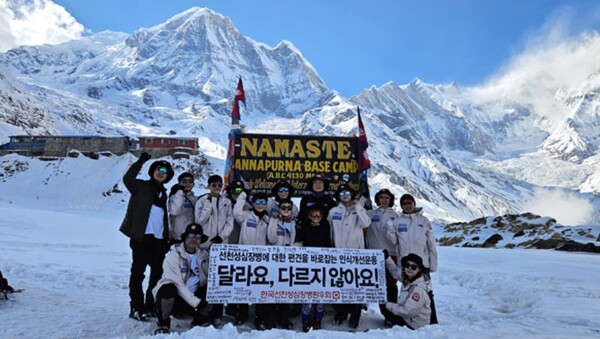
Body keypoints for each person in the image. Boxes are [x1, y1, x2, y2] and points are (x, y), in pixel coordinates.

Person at [119, 152, 174, 321]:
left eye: (165, 171)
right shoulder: (140, 187)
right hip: (141, 238)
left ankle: (150, 305)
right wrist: (141, 161)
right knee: (138, 274)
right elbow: (127, 179)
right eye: (159, 169)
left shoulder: (164, 193)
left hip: (158, 242)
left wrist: (166, 239)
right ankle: (136, 307)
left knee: (156, 276)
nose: (161, 172)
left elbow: (163, 218)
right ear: (152, 171)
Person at [386, 193, 438, 324]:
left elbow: (431, 244)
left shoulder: (424, 221)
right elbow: (394, 242)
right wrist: (390, 230)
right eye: (404, 203)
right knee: (406, 292)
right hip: (406, 265)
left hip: (422, 265)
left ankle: (432, 321)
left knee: (427, 293)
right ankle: (409, 319)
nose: (407, 205)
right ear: (401, 205)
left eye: (409, 203)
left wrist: (432, 265)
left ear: (414, 203)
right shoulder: (397, 222)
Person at [152, 223, 212, 334]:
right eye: (191, 236)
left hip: (193, 299)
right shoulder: (173, 256)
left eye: (198, 237)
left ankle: (200, 318)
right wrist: (196, 302)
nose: (194, 239)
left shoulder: (204, 255)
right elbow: (177, 283)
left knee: (213, 288)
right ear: (184, 238)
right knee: (168, 288)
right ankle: (163, 323)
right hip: (175, 299)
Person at [327, 183, 370, 329]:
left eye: (347, 193)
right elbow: (329, 229)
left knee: (355, 285)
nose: (345, 195)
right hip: (338, 253)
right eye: (341, 193)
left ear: (352, 195)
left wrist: (358, 206)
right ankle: (341, 313)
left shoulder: (359, 210)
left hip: (355, 253)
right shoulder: (333, 211)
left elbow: (366, 223)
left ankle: (355, 314)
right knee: (340, 284)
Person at [194, 174, 233, 325]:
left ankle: (217, 313)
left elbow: (230, 222)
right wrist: (209, 205)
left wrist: (222, 236)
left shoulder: (226, 202)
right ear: (208, 186)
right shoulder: (202, 200)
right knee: (204, 280)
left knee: (220, 279)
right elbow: (199, 221)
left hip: (221, 245)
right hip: (205, 245)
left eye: (219, 184)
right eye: (214, 184)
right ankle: (203, 312)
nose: (217, 187)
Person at [233, 190, 271, 329]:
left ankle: (260, 317)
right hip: (244, 256)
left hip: (262, 258)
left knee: (260, 287)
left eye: (263, 202)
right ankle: (241, 314)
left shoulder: (268, 219)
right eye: (258, 202)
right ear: (253, 203)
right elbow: (236, 211)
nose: (260, 205)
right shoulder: (246, 216)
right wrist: (243, 195)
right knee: (243, 285)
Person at [295, 205, 332, 332]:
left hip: (322, 265)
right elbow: (299, 243)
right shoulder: (304, 228)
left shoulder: (325, 228)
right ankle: (305, 320)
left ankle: (318, 319)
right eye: (313, 215)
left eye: (318, 215)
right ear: (309, 216)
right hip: (307, 265)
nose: (316, 218)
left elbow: (329, 245)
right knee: (307, 296)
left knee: (321, 295)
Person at [366, 189, 400, 325]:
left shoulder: (396, 216)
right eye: (381, 197)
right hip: (373, 254)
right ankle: (384, 312)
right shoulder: (371, 213)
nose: (384, 200)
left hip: (390, 255)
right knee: (378, 286)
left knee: (391, 285)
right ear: (377, 199)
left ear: (390, 199)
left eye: (387, 197)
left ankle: (391, 315)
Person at [265, 199, 296, 329]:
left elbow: (300, 240)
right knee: (272, 289)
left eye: (289, 207)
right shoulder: (273, 221)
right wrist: (273, 221)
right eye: (283, 207)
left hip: (290, 261)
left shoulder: (296, 223)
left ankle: (284, 318)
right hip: (274, 260)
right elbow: (271, 239)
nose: (286, 210)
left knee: (285, 290)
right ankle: (270, 319)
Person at [381, 253, 431, 330]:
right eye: (407, 265)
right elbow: (394, 271)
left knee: (385, 307)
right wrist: (387, 258)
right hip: (409, 318)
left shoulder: (418, 289)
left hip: (415, 325)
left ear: (419, 269)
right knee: (385, 304)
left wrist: (388, 305)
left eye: (413, 267)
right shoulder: (408, 278)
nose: (409, 268)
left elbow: (408, 311)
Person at [168, 172, 197, 243]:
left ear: (193, 184)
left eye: (190, 181)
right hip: (178, 238)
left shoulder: (195, 199)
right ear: (179, 184)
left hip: (192, 237)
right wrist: (180, 191)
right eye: (184, 181)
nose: (187, 183)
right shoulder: (174, 197)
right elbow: (174, 212)